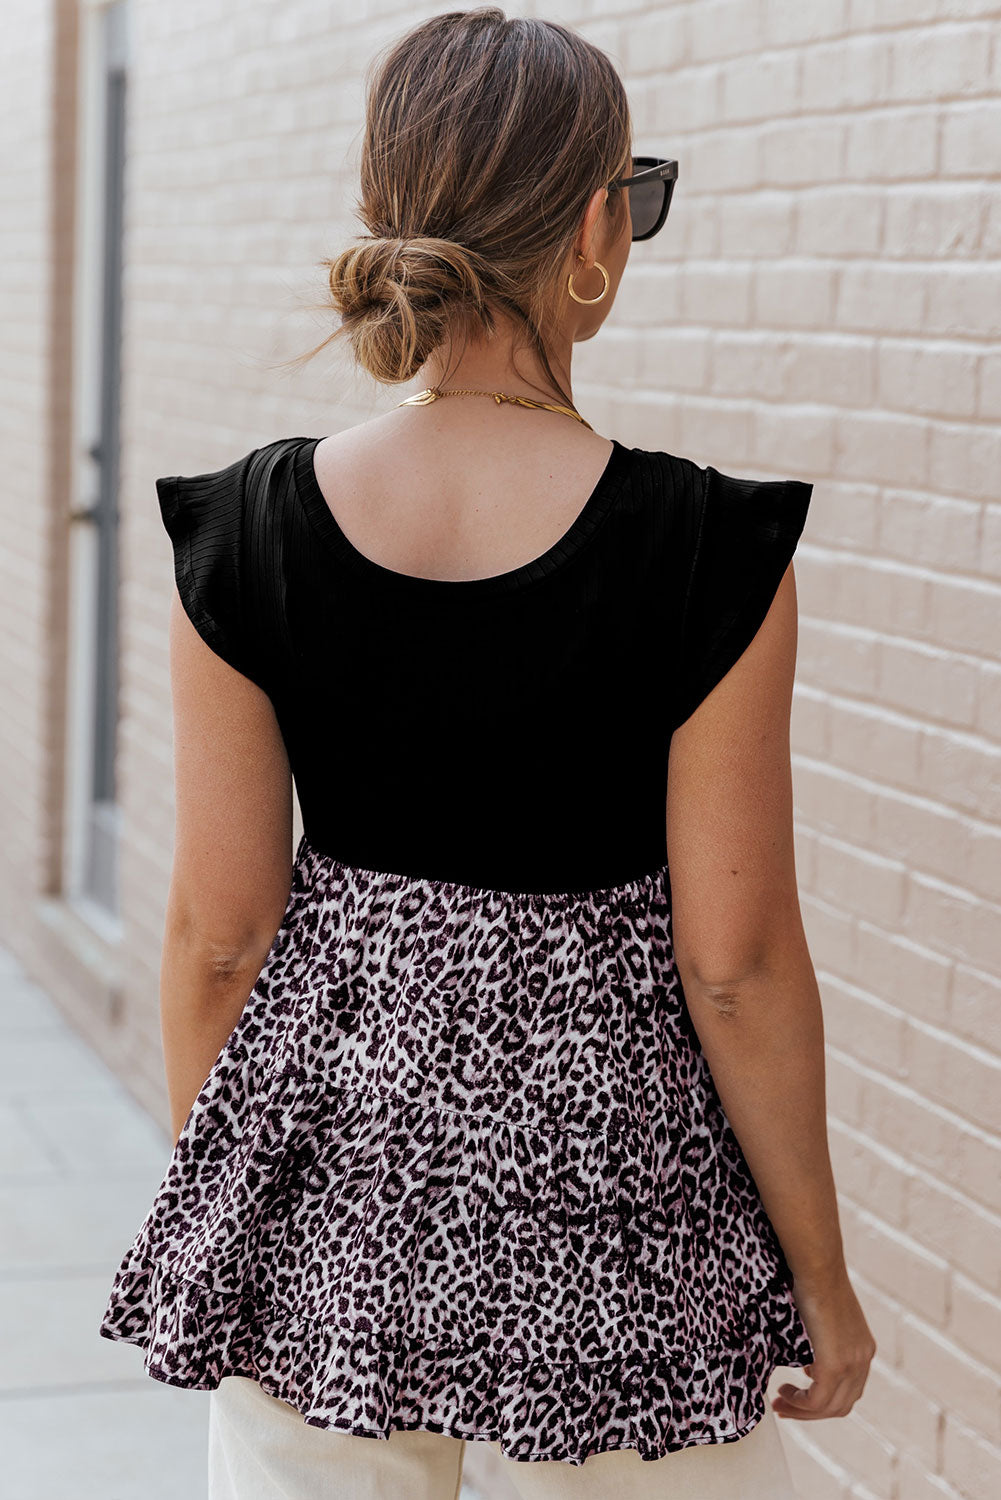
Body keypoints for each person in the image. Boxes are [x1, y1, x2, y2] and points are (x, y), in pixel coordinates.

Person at [99, 8, 876, 1498]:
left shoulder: (248, 529)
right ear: (591, 224)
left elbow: (218, 934)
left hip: (330, 1200)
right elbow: (736, 963)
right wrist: (819, 1281)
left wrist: (239, 1200)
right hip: (619, 1235)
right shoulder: (705, 549)